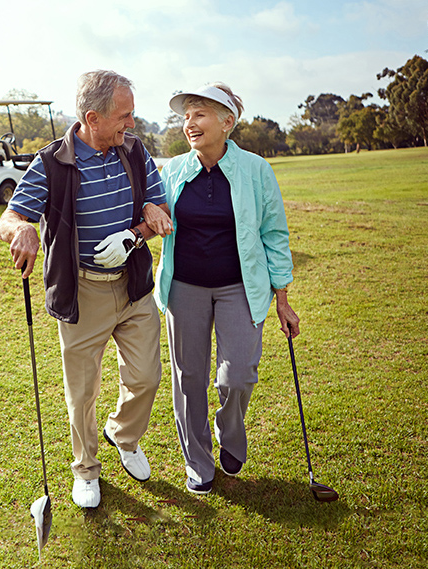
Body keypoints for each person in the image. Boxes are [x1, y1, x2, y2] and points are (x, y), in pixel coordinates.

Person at [0, 70, 173, 509]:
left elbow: (162, 209)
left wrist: (137, 229)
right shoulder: (52, 162)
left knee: (147, 377)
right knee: (82, 392)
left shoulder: (134, 152)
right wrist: (22, 231)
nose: (131, 124)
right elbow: (10, 218)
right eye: (124, 116)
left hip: (132, 287)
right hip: (83, 292)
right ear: (92, 117)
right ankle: (86, 469)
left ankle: (123, 435)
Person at [151, 83, 300, 495]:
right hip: (184, 288)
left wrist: (282, 297)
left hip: (239, 287)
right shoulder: (173, 170)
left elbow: (274, 233)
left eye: (199, 113)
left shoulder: (256, 170)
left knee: (238, 376)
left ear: (227, 122)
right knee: (188, 379)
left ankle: (229, 434)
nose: (189, 123)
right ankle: (197, 462)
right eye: (186, 116)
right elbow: (153, 212)